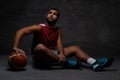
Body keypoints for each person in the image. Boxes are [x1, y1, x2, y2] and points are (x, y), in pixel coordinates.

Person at [12, 8, 113, 71]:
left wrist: (61, 54)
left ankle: (94, 63)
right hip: (40, 56)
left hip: (53, 54)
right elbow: (20, 32)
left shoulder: (58, 30)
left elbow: (59, 43)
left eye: (54, 14)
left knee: (75, 48)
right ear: (47, 15)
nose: (51, 14)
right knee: (40, 47)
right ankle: (65, 63)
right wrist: (16, 46)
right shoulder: (39, 27)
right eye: (50, 12)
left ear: (57, 18)